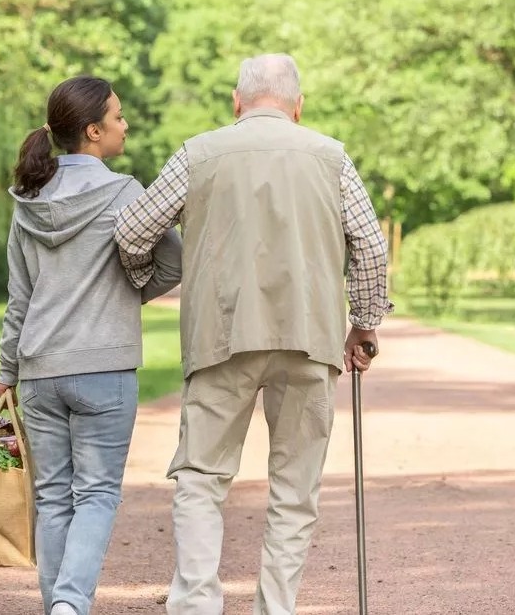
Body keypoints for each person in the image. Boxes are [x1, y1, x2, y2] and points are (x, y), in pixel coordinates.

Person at [114, 53, 392, 615]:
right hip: (310, 337)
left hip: (221, 335)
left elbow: (133, 229)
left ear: (237, 102)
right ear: (298, 105)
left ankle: (195, 605)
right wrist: (364, 323)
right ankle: (275, 608)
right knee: (295, 490)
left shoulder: (198, 153)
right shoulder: (332, 157)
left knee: (201, 478)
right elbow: (371, 247)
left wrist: (150, 279)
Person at [0, 75, 182, 615]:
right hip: (104, 368)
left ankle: (59, 605)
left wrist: (8, 370)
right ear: (94, 131)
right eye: (119, 117)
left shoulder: (28, 201)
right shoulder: (126, 193)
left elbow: (19, 299)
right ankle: (71, 605)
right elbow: (175, 259)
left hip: (39, 372)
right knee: (96, 495)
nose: (126, 125)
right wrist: (131, 293)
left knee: (53, 498)